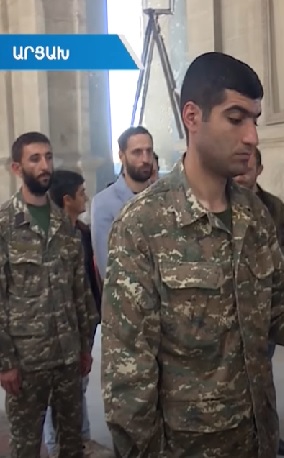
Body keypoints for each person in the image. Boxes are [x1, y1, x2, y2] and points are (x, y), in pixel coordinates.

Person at [101, 51, 284, 457]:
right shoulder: (141, 225)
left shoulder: (253, 215)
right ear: (192, 117)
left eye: (254, 119)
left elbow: (281, 311)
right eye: (236, 119)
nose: (252, 135)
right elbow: (128, 378)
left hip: (257, 439)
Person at [0, 132, 98, 457]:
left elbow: (79, 289)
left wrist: (85, 345)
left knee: (72, 445)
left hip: (68, 359)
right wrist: (5, 362)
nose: (45, 166)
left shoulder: (64, 224)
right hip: (27, 365)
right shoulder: (4, 225)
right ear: (17, 167)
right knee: (27, 447)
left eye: (48, 157)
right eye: (35, 159)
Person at [232, 147, 284, 457]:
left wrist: (270, 281)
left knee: (263, 372)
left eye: (250, 165)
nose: (243, 171)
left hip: (268, 304)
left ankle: (270, 433)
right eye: (240, 165)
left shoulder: (272, 206)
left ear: (259, 169)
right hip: (237, 311)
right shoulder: (227, 206)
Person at [45, 170, 108, 457]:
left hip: (85, 320)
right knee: (52, 396)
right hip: (57, 327)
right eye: (81, 192)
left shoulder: (82, 233)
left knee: (78, 385)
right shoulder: (50, 238)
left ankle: (80, 437)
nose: (86, 197)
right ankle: (54, 443)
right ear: (67, 199)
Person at [91, 125, 155, 279]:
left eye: (149, 151)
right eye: (137, 153)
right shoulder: (104, 203)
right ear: (121, 155)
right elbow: (106, 263)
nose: (145, 159)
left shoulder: (164, 197)